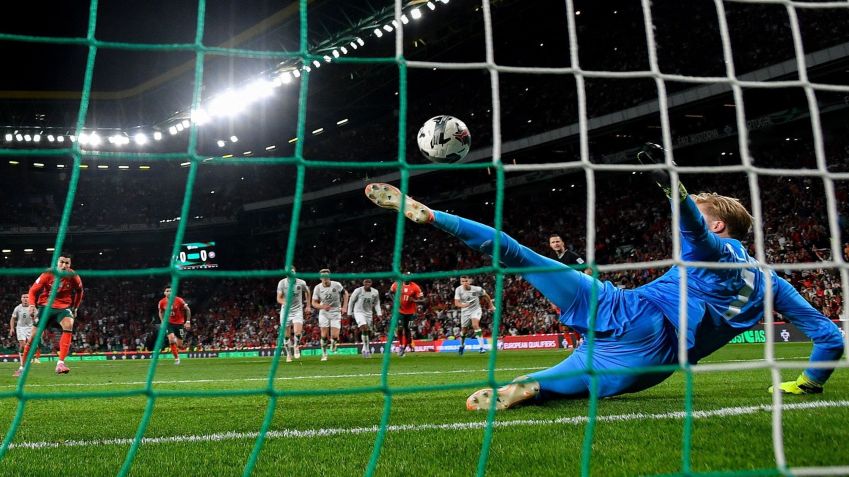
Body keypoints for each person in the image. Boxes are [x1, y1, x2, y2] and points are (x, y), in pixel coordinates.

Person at [364, 154, 843, 411]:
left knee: (519, 255)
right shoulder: (775, 284)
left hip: (625, 306)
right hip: (651, 355)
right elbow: (831, 337)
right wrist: (807, 384)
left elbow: (695, 232)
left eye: (702, 211)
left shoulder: (712, 247)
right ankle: (532, 386)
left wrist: (677, 195)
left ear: (719, 225)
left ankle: (435, 216)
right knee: (565, 381)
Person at [28, 256, 83, 375]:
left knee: (69, 325)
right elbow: (32, 291)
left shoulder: (73, 276)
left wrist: (75, 307)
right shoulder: (48, 274)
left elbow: (79, 291)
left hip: (63, 307)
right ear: (57, 263)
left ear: (70, 264)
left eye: (67, 263)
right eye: (62, 262)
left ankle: (60, 363)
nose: (64, 265)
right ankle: (23, 366)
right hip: (45, 306)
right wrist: (32, 305)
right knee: (33, 337)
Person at [311, 269, 348, 361]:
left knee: (335, 336)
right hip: (324, 313)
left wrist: (344, 307)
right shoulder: (317, 288)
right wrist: (322, 306)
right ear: (320, 278)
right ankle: (324, 354)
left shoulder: (337, 285)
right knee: (323, 335)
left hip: (335, 311)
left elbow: (345, 294)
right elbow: (314, 303)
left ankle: (333, 343)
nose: (325, 278)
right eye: (323, 277)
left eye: (327, 276)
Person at [277, 266, 312, 363]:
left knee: (298, 332)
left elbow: (307, 292)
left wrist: (308, 305)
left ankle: (296, 346)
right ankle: (288, 354)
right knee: (286, 336)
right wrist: (285, 303)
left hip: (297, 310)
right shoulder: (282, 283)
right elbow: (279, 298)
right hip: (286, 311)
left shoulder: (301, 282)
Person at [454, 276, 495, 355]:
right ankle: (462, 345)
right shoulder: (458, 290)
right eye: (462, 281)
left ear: (469, 281)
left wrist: (491, 305)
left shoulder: (476, 289)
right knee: (464, 332)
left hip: (476, 310)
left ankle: (482, 347)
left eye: (466, 281)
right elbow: (456, 303)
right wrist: (464, 305)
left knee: (475, 325)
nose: (464, 283)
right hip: (465, 311)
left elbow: (486, 295)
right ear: (460, 282)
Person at [390, 274, 425, 357]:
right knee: (400, 328)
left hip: (411, 313)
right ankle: (401, 345)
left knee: (408, 330)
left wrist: (414, 300)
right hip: (400, 312)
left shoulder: (416, 287)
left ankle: (403, 348)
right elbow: (390, 293)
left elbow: (423, 300)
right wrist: (395, 301)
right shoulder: (396, 284)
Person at [347, 279, 383, 357]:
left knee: (368, 332)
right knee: (364, 328)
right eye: (366, 282)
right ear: (363, 283)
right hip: (358, 312)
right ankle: (367, 350)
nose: (367, 283)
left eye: (369, 282)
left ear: (371, 283)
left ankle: (364, 347)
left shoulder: (375, 292)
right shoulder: (358, 291)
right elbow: (351, 301)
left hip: (369, 313)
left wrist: (379, 313)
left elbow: (377, 303)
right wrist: (349, 313)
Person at [157, 285, 192, 365]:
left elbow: (188, 310)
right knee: (171, 339)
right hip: (169, 323)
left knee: (180, 345)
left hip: (179, 323)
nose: (169, 292)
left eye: (170, 291)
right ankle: (176, 359)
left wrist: (188, 321)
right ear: (164, 293)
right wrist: (162, 322)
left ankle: (176, 341)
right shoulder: (162, 302)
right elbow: (161, 312)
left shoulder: (179, 300)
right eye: (167, 291)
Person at [9, 294, 39, 377]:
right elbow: (13, 318)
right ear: (21, 299)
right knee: (22, 345)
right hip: (20, 328)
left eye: (27, 297)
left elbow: (37, 320)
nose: (25, 299)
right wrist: (11, 328)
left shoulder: (33, 308)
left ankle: (25, 362)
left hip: (30, 328)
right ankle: (22, 365)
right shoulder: (18, 308)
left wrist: (33, 317)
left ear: (30, 299)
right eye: (24, 297)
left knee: (30, 346)